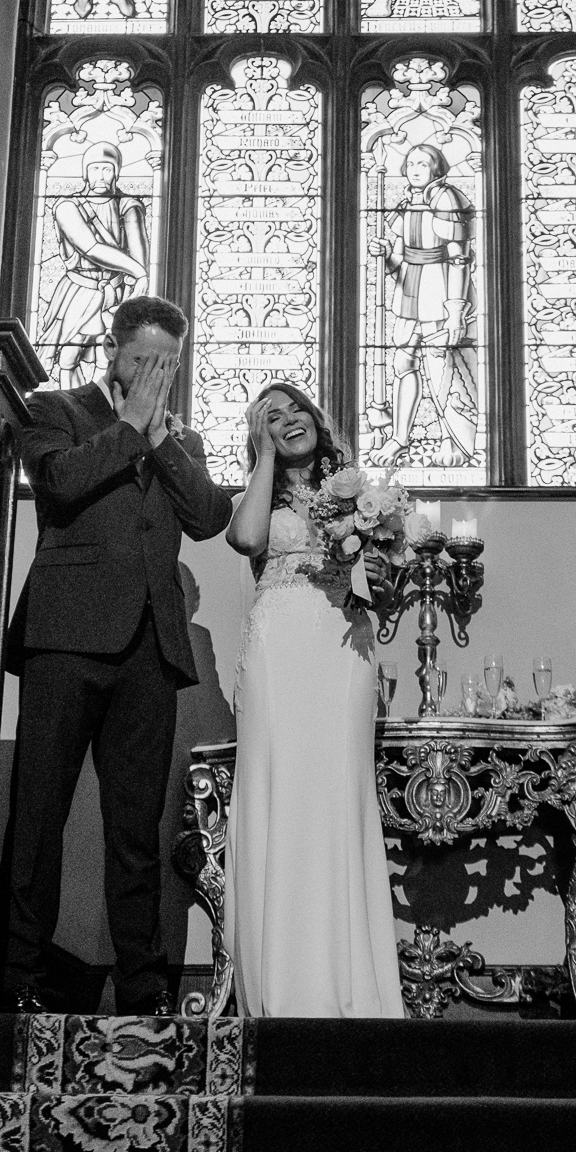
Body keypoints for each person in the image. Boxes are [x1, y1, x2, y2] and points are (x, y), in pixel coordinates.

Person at [3, 295, 233, 1016]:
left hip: (148, 649)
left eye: (169, 363)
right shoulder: (55, 408)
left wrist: (161, 439)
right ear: (114, 350)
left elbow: (208, 517)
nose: (157, 374)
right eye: (145, 360)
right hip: (65, 638)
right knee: (38, 814)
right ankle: (21, 979)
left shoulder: (181, 439)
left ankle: (142, 986)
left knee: (138, 828)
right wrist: (131, 425)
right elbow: (60, 483)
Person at [222, 382, 405, 1018]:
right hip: (280, 645)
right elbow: (246, 540)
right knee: (281, 793)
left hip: (341, 646)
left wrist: (381, 574)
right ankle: (282, 982)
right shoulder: (261, 493)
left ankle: (349, 980)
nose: (288, 419)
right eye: (271, 416)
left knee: (336, 796)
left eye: (295, 408)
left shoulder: (354, 490)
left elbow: (386, 586)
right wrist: (265, 459)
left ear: (317, 418)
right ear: (259, 434)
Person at [365, 143, 479, 467]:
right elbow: (397, 262)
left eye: (423, 164)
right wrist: (384, 252)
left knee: (439, 365)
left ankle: (452, 438)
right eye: (411, 163)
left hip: (439, 288)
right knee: (402, 364)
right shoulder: (406, 204)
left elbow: (459, 258)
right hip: (409, 290)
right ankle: (400, 439)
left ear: (437, 168)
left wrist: (455, 311)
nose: (415, 169)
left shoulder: (447, 199)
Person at [38, 142, 150, 387]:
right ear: (85, 172)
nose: (101, 176)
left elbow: (140, 254)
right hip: (80, 289)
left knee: (107, 354)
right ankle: (70, 406)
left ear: (116, 172)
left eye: (107, 169)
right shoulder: (67, 207)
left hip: (116, 291)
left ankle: (105, 410)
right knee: (68, 354)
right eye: (95, 169)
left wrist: (136, 282)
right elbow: (90, 248)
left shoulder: (128, 206)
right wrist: (138, 272)